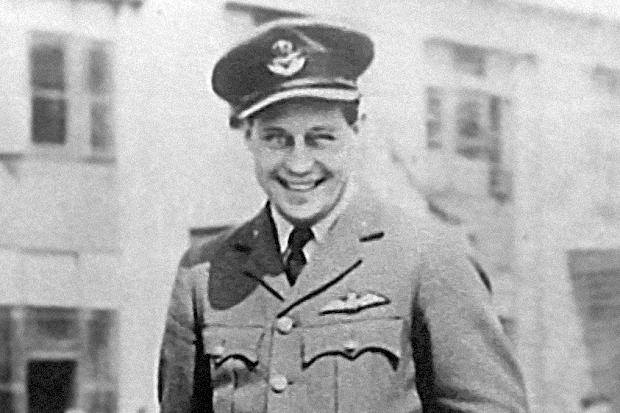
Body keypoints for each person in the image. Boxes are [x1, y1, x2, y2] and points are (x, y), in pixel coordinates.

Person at [158, 19, 529, 413]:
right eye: (276, 139)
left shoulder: (429, 258)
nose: (299, 164)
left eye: (321, 138)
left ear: (357, 131)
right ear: (248, 136)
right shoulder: (204, 273)